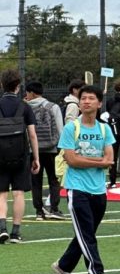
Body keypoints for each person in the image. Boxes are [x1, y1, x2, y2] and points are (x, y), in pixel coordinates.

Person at [50, 85, 116, 274]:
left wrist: (89, 159)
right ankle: (95, 272)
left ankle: (63, 265)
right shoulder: (72, 128)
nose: (86, 101)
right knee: (86, 233)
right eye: (83, 98)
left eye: (91, 98)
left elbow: (110, 158)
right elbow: (72, 160)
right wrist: (98, 162)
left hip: (98, 189)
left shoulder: (104, 128)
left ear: (99, 103)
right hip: (77, 188)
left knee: (86, 232)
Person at [0, 69, 40, 244]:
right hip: (20, 155)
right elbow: (32, 135)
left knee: (1, 194)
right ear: (18, 86)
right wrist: (35, 158)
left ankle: (1, 228)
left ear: (2, 85)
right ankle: (16, 232)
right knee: (18, 194)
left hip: (0, 155)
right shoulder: (25, 107)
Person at [25, 80, 65, 221]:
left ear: (32, 93)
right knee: (54, 179)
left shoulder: (25, 108)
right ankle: (54, 208)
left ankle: (38, 211)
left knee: (36, 181)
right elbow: (60, 128)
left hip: (32, 149)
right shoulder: (52, 106)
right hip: (52, 148)